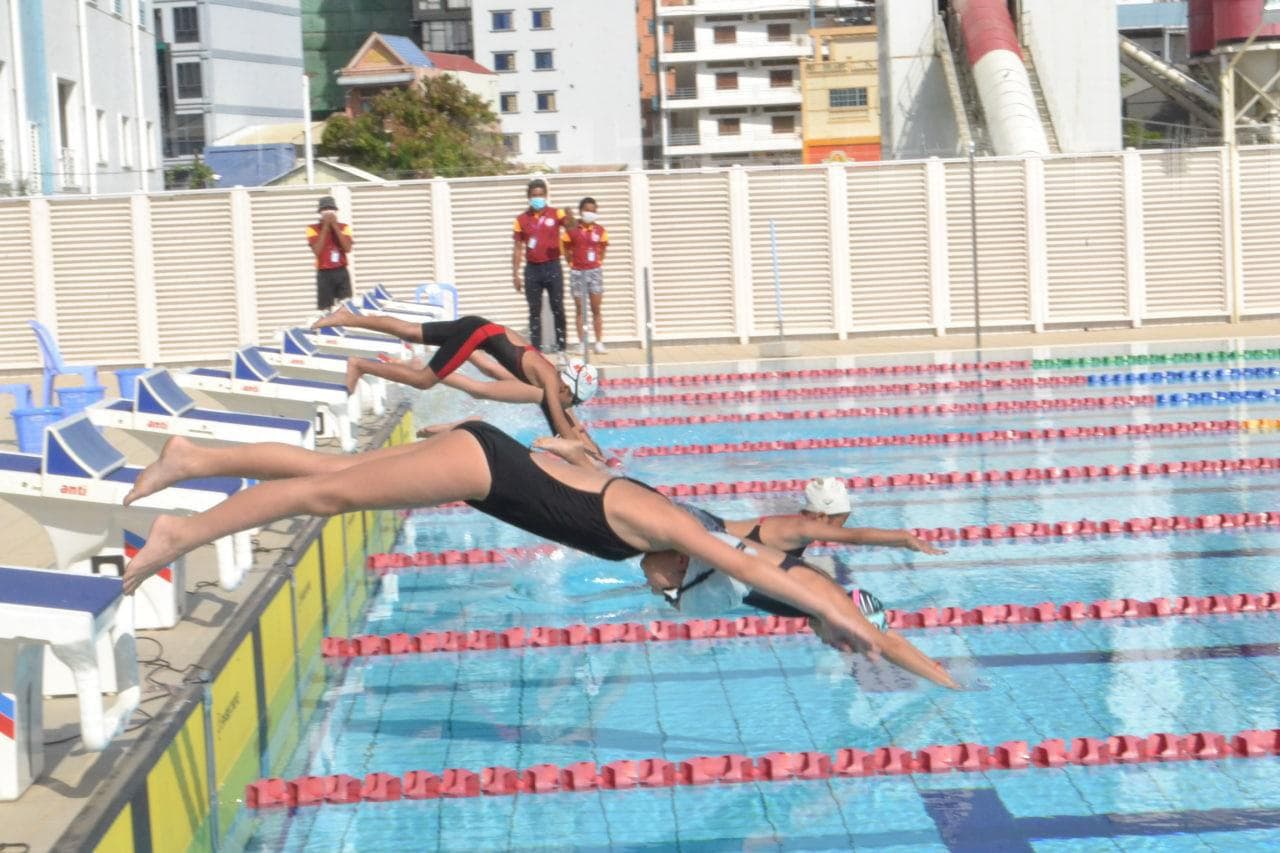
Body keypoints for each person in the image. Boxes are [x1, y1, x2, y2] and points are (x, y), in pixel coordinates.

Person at [117, 426, 958, 689]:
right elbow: (764, 572)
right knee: (326, 494)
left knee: (327, 472)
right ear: (686, 565)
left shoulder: (684, 523)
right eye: (672, 593)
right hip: (483, 466)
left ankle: (194, 457)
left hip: (489, 464)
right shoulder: (681, 530)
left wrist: (859, 634)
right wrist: (862, 629)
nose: (659, 592)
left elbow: (768, 566)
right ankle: (180, 534)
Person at [639, 508, 954, 688]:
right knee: (647, 559)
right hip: (702, 533)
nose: (835, 646)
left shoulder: (805, 603)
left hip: (708, 548)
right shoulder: (797, 540)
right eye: (845, 642)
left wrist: (935, 669)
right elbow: (887, 644)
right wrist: (902, 538)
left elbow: (890, 639)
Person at [311, 309, 602, 457]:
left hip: (476, 327)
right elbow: (562, 426)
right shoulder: (550, 381)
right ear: (567, 389)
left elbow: (568, 422)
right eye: (574, 401)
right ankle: (361, 365)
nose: (571, 405)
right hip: (475, 335)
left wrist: (593, 450)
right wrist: (581, 450)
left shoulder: (552, 378)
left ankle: (347, 317)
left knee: (409, 331)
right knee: (424, 380)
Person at [717, 477, 944, 561]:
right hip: (710, 540)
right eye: (840, 521)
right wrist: (903, 537)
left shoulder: (797, 526)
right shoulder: (803, 527)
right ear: (822, 516)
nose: (841, 527)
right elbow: (857, 537)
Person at [512, 179, 573, 352]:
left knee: (558, 307)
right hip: (532, 270)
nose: (537, 198)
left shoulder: (556, 213)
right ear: (528, 197)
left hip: (553, 267)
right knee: (534, 310)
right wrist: (515, 274)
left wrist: (570, 217)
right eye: (534, 195)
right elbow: (518, 248)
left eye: (540, 195)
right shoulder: (521, 219)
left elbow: (572, 229)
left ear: (546, 195)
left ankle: (561, 347)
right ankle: (536, 350)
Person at [562, 197, 608, 355]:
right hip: (577, 272)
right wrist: (571, 263)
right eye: (587, 210)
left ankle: (599, 343)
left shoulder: (600, 230)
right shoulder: (572, 229)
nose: (590, 213)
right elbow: (565, 247)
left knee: (596, 308)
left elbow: (603, 249)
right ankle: (582, 343)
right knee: (580, 309)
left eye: (593, 211)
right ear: (581, 211)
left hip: (594, 272)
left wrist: (598, 262)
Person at [306, 196, 354, 310]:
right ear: (320, 212)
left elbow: (347, 248)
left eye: (330, 208)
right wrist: (326, 227)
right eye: (325, 209)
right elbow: (317, 251)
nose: (328, 211)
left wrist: (335, 226)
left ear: (335, 211)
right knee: (325, 307)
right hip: (324, 272)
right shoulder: (312, 228)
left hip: (341, 270)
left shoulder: (344, 227)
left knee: (346, 306)